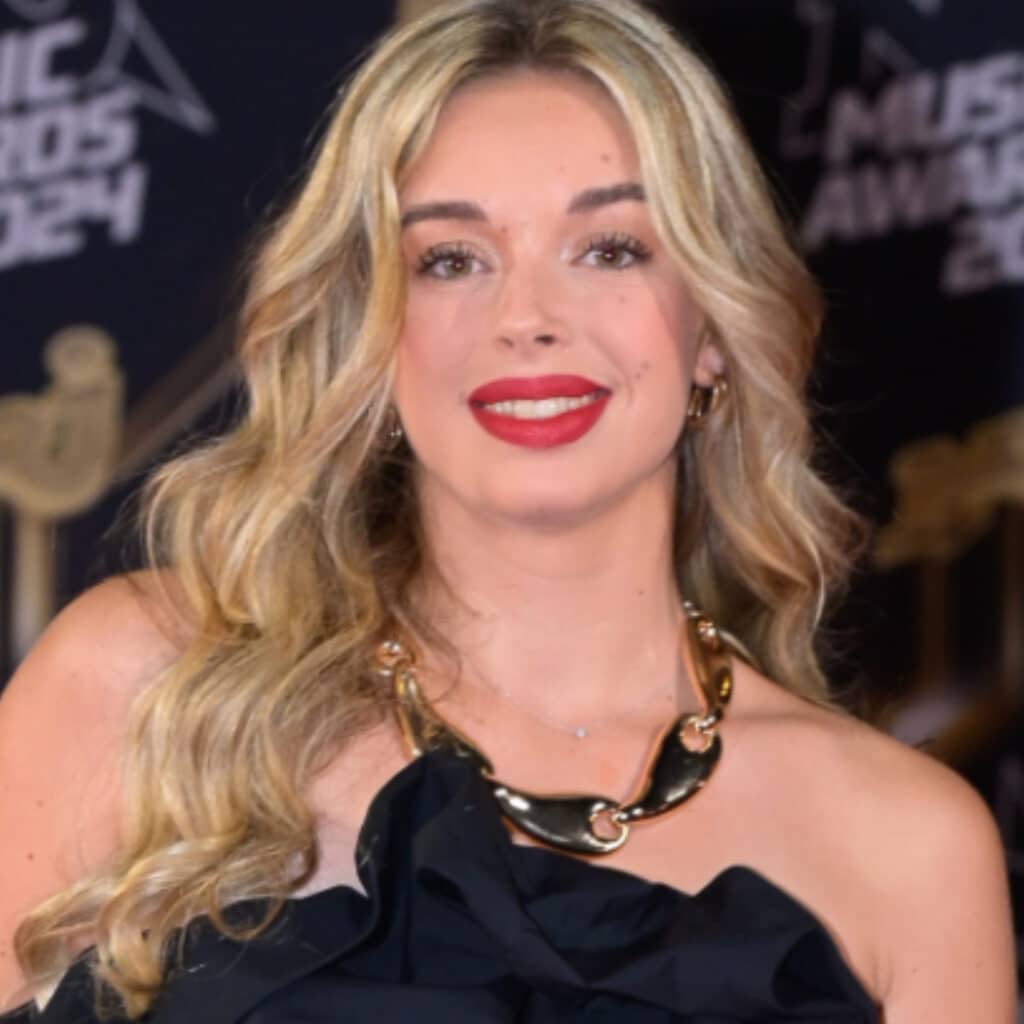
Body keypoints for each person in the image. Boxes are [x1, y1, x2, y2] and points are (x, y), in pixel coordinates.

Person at [0, 0, 1016, 1020]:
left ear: (712, 325)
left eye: (609, 248)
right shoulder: (150, 693)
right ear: (371, 333)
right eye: (451, 259)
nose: (526, 319)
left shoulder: (902, 847)